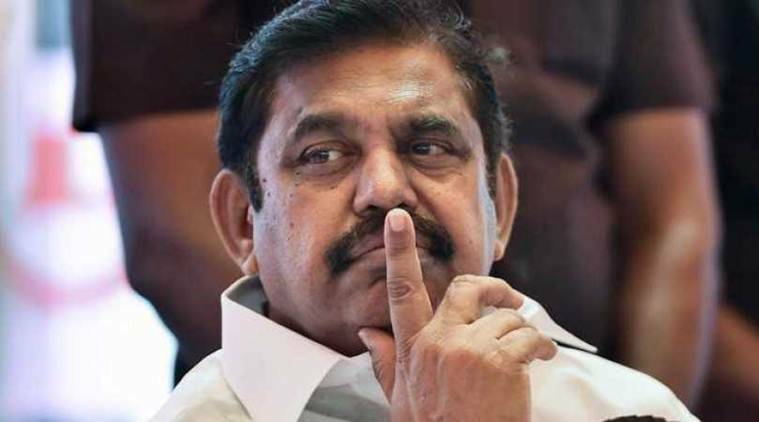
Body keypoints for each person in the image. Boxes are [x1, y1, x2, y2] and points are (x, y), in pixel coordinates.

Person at [152, 1, 698, 420]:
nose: (386, 190)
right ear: (242, 223)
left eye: (427, 148)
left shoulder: (630, 409)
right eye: (323, 155)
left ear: (501, 204)